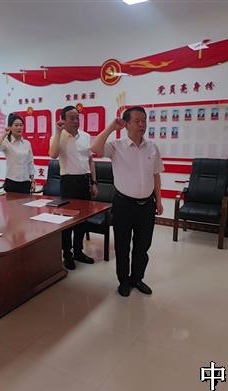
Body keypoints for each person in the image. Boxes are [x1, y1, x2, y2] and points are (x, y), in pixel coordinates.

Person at [91, 107, 164, 297]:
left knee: (142, 246)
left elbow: (156, 175)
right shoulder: (116, 146)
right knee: (123, 246)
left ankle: (137, 278)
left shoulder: (152, 147)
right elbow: (95, 149)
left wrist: (159, 201)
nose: (142, 124)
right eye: (137, 121)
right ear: (127, 124)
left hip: (147, 205)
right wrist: (110, 127)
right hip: (124, 204)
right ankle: (123, 281)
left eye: (144, 120)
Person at [49, 106, 97, 270]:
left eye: (77, 117)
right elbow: (53, 154)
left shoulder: (86, 136)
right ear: (63, 119)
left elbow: (90, 161)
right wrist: (57, 132)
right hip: (68, 182)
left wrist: (94, 182)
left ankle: (78, 251)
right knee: (68, 221)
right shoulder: (57, 137)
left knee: (82, 220)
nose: (76, 121)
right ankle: (67, 254)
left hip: (85, 181)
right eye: (72, 118)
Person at [0, 114, 35, 193]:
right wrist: (4, 134)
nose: (19, 127)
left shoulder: (27, 143)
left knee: (26, 201)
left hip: (25, 182)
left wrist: (33, 180)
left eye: (21, 125)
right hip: (11, 182)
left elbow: (30, 163)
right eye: (16, 125)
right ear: (10, 127)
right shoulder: (6, 142)